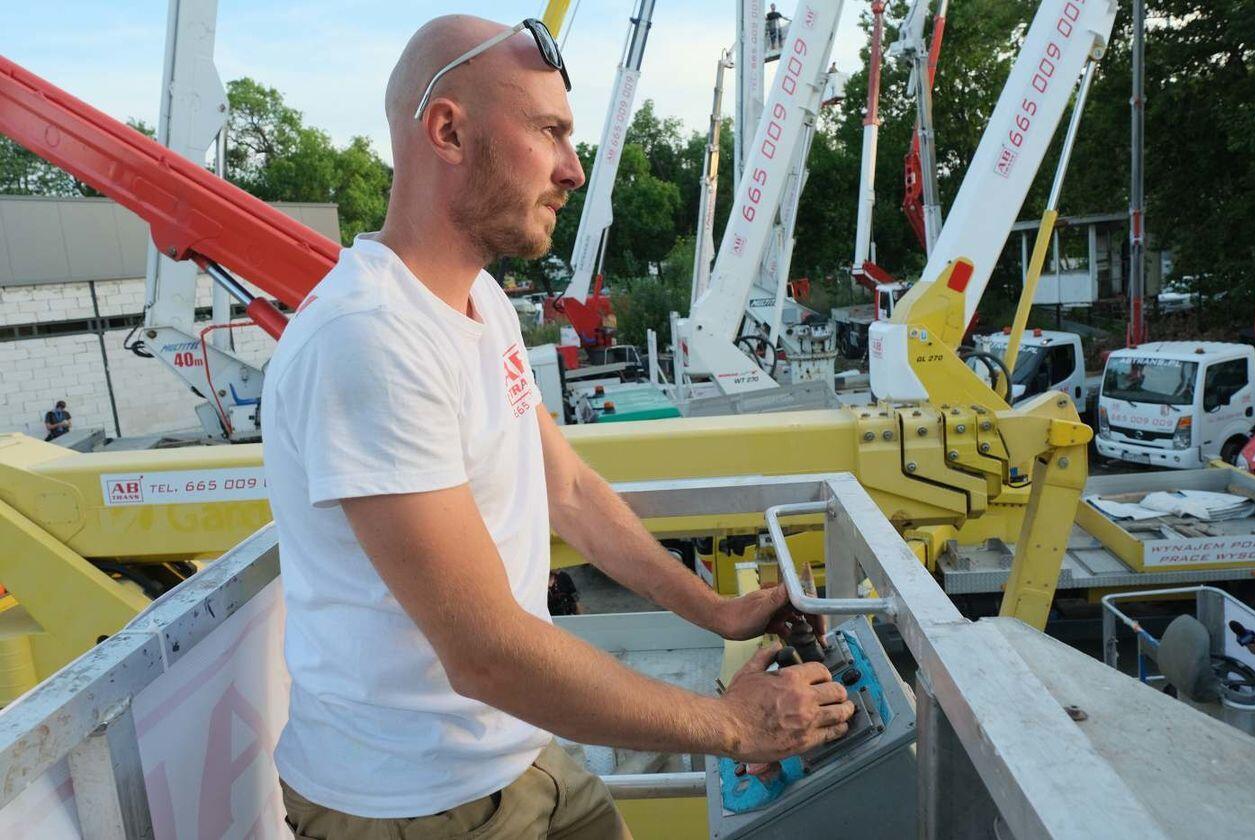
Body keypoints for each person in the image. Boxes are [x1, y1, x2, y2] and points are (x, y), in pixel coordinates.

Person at [261, 15, 854, 839]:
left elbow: (568, 490)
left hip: (517, 750)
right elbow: (486, 653)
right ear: (448, 132)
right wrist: (733, 725)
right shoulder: (369, 340)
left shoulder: (482, 302)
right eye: (549, 132)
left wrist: (715, 611)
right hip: (416, 802)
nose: (573, 169)